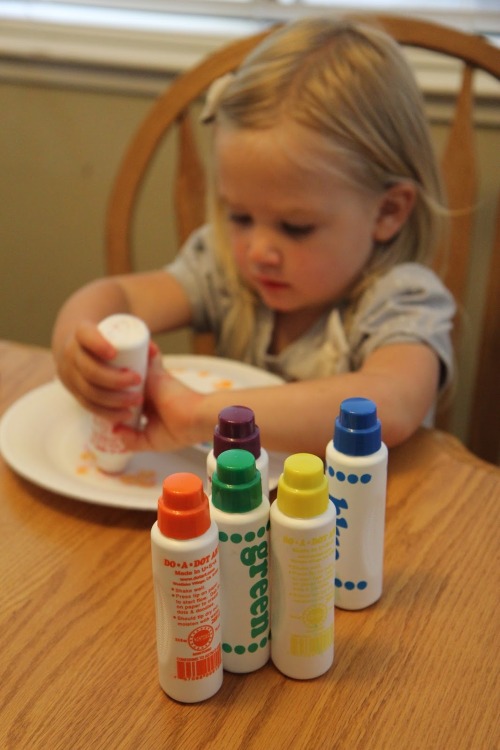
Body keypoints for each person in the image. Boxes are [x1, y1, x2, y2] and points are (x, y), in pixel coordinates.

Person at [52, 17, 455, 458]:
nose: (258, 251)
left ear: (388, 211)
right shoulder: (225, 267)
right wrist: (79, 346)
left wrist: (201, 414)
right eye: (239, 216)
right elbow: (119, 299)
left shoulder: (402, 299)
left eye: (295, 227)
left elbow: (390, 403)